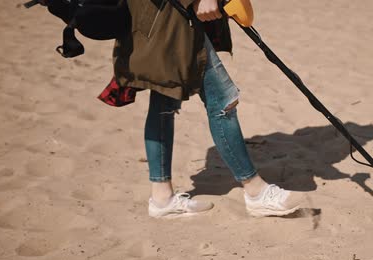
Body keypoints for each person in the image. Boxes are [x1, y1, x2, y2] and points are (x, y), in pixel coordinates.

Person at [112, 0, 305, 218]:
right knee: (223, 99)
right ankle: (256, 191)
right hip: (164, 16)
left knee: (164, 97)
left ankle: (161, 198)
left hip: (164, 18)